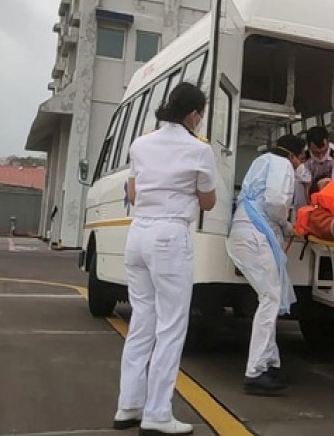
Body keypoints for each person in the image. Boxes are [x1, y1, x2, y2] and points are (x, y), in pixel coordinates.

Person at [114, 82, 218, 436]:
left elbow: (131, 191)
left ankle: (128, 405)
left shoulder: (140, 144)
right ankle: (157, 413)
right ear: (193, 114)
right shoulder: (198, 150)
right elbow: (208, 202)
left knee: (142, 320)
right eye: (200, 115)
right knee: (171, 326)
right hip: (169, 237)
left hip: (138, 234)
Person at [227, 134, 306, 395]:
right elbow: (274, 201)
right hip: (255, 235)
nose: (298, 165)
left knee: (268, 298)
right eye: (300, 159)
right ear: (294, 155)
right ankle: (256, 371)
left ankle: (271, 364)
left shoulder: (261, 160)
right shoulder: (283, 165)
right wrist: (286, 225)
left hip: (243, 231)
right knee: (270, 299)